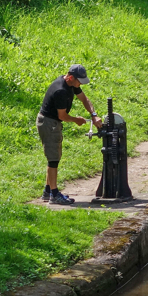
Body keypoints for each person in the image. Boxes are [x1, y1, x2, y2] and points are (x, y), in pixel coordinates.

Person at [37, 64, 103, 204]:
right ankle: (54, 195)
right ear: (71, 77)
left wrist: (93, 115)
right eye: (79, 81)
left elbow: (84, 99)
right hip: (49, 123)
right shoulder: (60, 90)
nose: (80, 84)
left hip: (53, 123)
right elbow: (62, 116)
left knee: (55, 156)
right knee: (53, 159)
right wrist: (76, 120)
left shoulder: (71, 84)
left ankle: (48, 191)